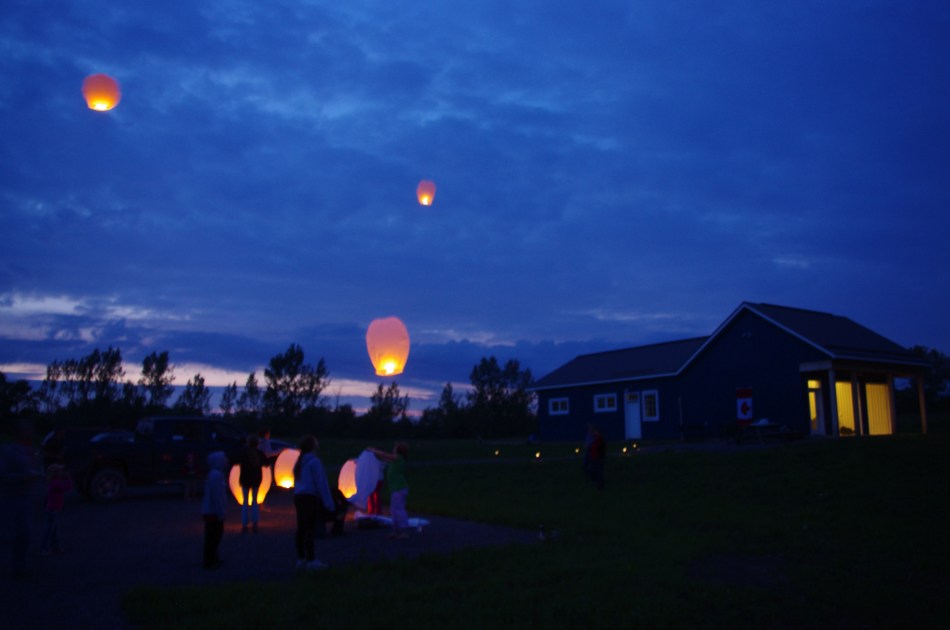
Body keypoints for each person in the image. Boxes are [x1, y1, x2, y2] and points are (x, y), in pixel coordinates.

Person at [1, 419, 43, 578]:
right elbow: (3, 475)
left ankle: (21, 567)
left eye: (31, 429)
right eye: (26, 429)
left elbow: (34, 469)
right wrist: (24, 477)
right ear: (18, 432)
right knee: (13, 534)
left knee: (26, 533)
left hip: (27, 497)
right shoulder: (8, 451)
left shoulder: (31, 450)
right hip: (11, 498)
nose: (30, 432)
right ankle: (15, 567)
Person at [292, 435, 335, 570]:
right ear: (313, 446)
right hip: (309, 497)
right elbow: (321, 483)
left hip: (299, 497)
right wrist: (329, 503)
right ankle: (311, 559)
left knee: (301, 528)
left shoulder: (300, 462)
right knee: (310, 528)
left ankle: (301, 558)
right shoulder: (314, 462)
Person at [368, 442, 410, 539]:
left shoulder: (398, 458)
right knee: (394, 510)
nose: (393, 449)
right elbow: (384, 457)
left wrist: (373, 450)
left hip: (399, 488)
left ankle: (404, 532)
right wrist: (375, 453)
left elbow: (384, 455)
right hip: (395, 489)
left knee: (399, 510)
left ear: (398, 451)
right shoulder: (395, 459)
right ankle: (397, 531)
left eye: (395, 448)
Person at [201, 451, 228, 569]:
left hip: (211, 510)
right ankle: (210, 560)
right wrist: (221, 511)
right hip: (213, 512)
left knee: (213, 535)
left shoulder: (213, 474)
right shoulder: (217, 476)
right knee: (214, 535)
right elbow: (217, 495)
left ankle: (212, 557)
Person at [40, 464, 73, 555]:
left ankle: (55, 547)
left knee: (53, 530)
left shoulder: (53, 482)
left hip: (52, 508)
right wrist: (68, 477)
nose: (62, 473)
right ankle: (45, 548)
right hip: (53, 509)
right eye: (60, 472)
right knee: (50, 529)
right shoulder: (55, 483)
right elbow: (68, 487)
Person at [238, 435, 266, 533]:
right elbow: (266, 463)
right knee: (255, 500)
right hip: (256, 479)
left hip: (245, 478)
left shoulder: (243, 453)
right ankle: (255, 523)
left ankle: (244, 524)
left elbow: (236, 460)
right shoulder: (259, 453)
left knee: (245, 501)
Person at [587, 426, 606, 490]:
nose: (594, 433)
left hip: (598, 458)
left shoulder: (600, 439)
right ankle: (595, 482)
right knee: (592, 470)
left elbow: (601, 448)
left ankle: (600, 485)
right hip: (593, 457)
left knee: (599, 471)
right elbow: (592, 447)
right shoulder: (594, 439)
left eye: (595, 432)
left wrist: (601, 457)